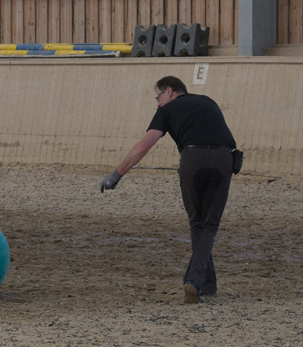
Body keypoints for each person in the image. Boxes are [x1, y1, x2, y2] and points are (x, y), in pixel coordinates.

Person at [100, 76, 237, 304]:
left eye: (158, 96)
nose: (157, 103)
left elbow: (144, 146)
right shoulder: (209, 102)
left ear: (170, 91)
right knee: (210, 224)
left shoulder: (167, 110)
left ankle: (194, 280)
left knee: (197, 222)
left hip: (192, 159)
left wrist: (116, 175)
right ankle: (206, 283)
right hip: (223, 160)